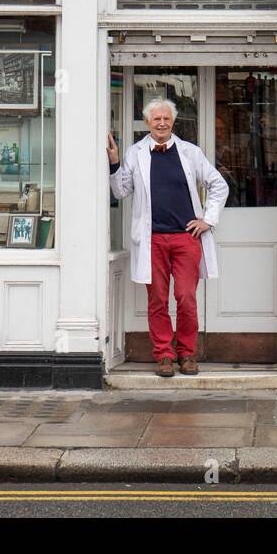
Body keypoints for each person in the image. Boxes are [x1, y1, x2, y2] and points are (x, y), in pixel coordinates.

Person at [107, 97, 229, 377]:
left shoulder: (190, 152)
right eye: (156, 119)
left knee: (186, 297)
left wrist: (208, 220)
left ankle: (187, 354)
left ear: (173, 122)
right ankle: (163, 354)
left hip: (186, 238)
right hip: (152, 240)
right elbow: (121, 190)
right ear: (147, 122)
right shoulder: (135, 153)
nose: (161, 123)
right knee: (158, 299)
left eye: (166, 118)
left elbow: (218, 184)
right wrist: (114, 164)